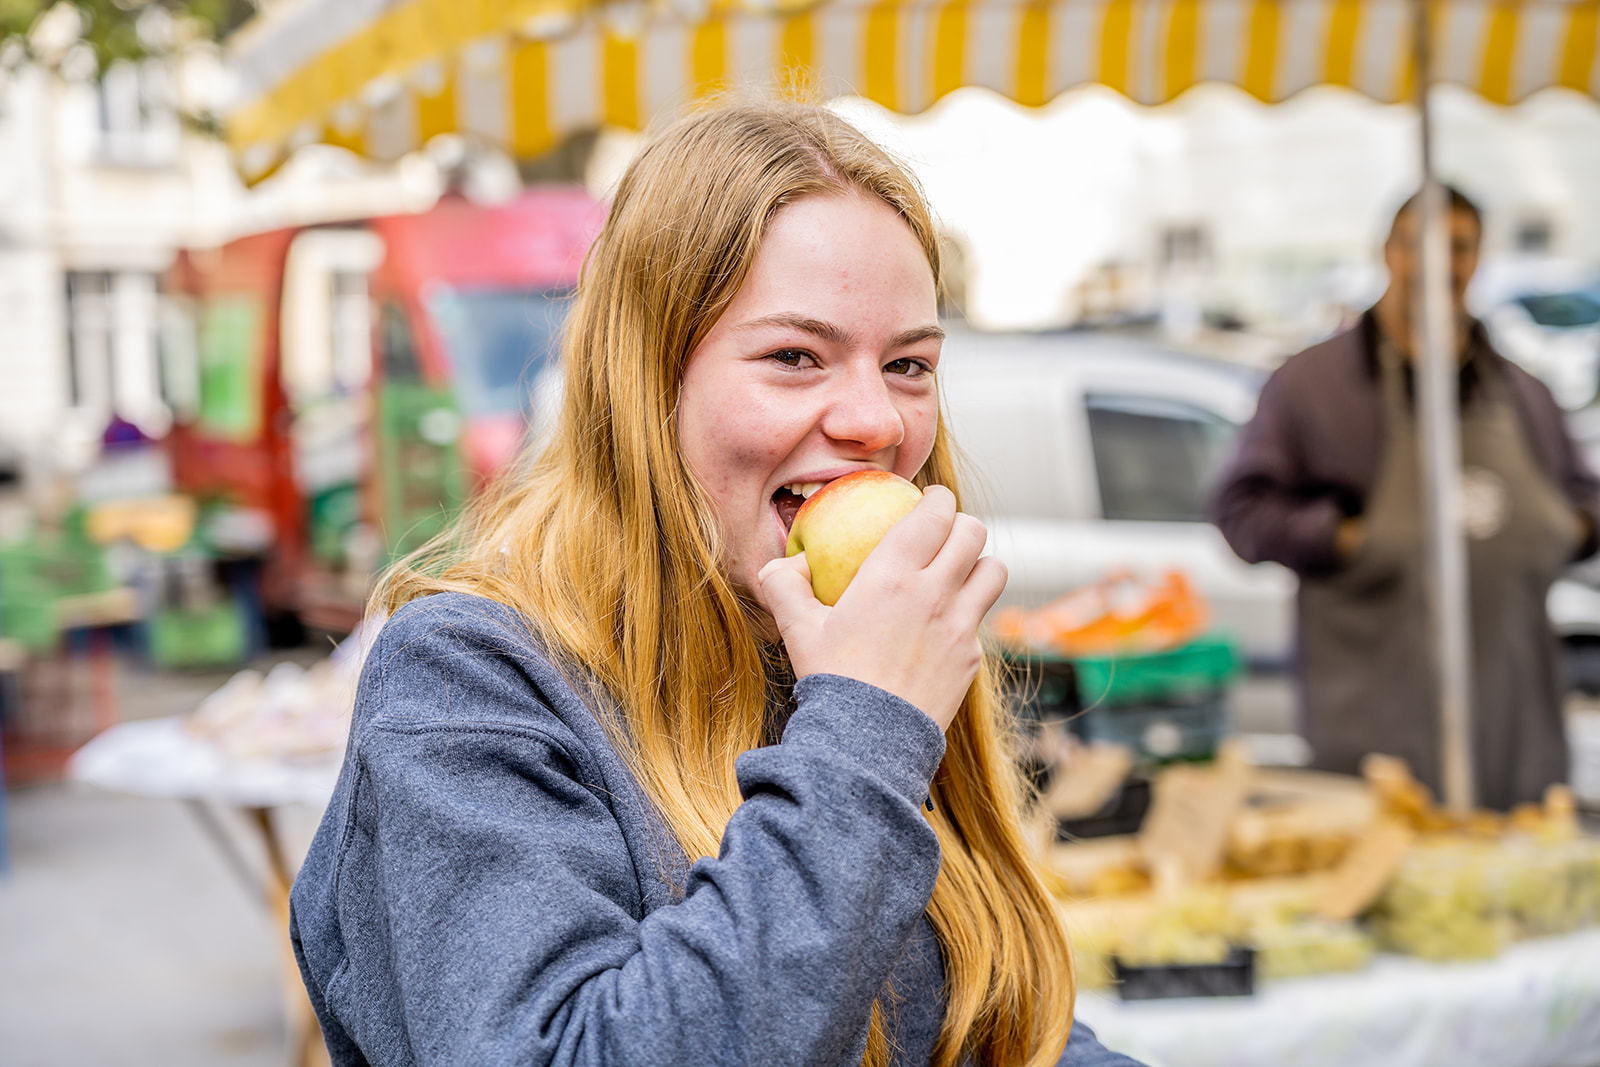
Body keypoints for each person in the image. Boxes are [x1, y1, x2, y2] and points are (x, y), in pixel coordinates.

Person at [289, 102, 1143, 1066]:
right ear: (648, 383)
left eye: (908, 363)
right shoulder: (464, 684)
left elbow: (992, 1024)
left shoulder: (838, 650)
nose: (876, 419)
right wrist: (862, 736)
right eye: (794, 356)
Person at [1211, 184, 1600, 811]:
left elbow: (1587, 501)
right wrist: (1348, 537)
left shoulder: (1523, 391)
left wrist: (1566, 531)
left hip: (1512, 710)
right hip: (1371, 707)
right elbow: (1241, 513)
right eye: (1419, 244)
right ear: (1387, 252)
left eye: (1460, 247)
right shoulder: (1309, 387)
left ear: (1479, 260)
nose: (1439, 264)